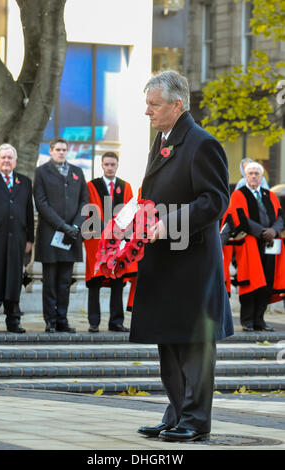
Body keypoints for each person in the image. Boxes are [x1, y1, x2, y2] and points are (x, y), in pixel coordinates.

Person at [130, 71, 233, 442]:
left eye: (153, 105)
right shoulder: (162, 140)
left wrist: (170, 222)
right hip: (165, 262)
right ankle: (175, 413)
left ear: (177, 105)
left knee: (193, 346)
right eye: (147, 104)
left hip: (192, 265)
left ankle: (196, 420)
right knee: (169, 342)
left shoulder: (203, 144)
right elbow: (154, 194)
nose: (147, 112)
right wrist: (132, 219)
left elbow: (214, 200)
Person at [221, 161, 285, 332]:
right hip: (250, 244)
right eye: (251, 173)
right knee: (251, 282)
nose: (254, 176)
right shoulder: (238, 195)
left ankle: (260, 320)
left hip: (271, 244)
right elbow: (240, 218)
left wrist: (274, 231)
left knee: (267, 283)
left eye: (257, 173)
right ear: (245, 176)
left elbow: (280, 216)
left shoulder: (270, 195)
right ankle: (247, 321)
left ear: (262, 176)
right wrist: (263, 232)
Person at [34, 137, 88, 333]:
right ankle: (50, 321)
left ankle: (62, 320)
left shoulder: (77, 172)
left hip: (71, 236)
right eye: (57, 149)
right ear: (51, 151)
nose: (61, 152)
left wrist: (75, 226)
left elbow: (84, 201)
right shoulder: (41, 172)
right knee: (49, 281)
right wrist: (63, 226)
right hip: (51, 235)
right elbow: (41, 203)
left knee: (65, 281)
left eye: (64, 150)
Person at [83, 152, 136, 333]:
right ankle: (94, 322)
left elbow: (130, 214)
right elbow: (88, 213)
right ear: (102, 165)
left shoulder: (125, 187)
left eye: (113, 164)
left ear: (117, 165)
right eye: (107, 164)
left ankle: (116, 322)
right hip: (97, 241)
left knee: (117, 281)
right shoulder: (91, 186)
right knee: (95, 281)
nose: (110, 167)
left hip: (119, 241)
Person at [0, 144, 34, 333]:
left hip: (17, 240)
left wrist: (30, 238)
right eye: (3, 157)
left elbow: (29, 212)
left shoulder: (24, 181)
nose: (6, 161)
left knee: (14, 280)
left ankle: (13, 321)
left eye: (9, 158)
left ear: (15, 161)